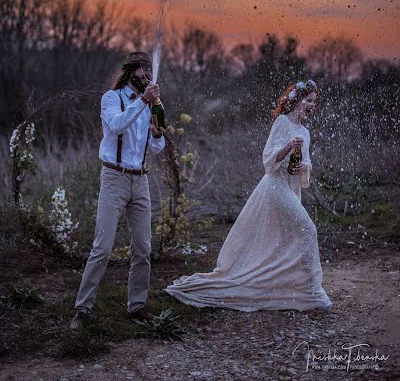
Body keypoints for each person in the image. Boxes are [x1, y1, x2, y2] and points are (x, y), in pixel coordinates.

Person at [165, 79, 332, 312]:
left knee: (284, 239)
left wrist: (302, 166)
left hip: (292, 188)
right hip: (276, 188)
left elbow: (307, 166)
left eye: (315, 101)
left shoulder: (306, 132)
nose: (313, 105)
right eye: (309, 100)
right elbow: (268, 161)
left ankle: (288, 285)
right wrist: (286, 149)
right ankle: (313, 291)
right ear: (297, 99)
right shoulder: (282, 123)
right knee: (307, 229)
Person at [70, 52, 165, 329]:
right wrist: (145, 101)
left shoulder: (150, 103)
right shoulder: (112, 99)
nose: (147, 75)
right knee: (102, 247)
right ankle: (83, 309)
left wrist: (158, 134)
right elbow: (116, 124)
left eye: (149, 70)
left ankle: (137, 306)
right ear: (130, 72)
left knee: (143, 248)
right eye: (142, 71)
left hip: (140, 180)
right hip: (114, 177)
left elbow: (156, 148)